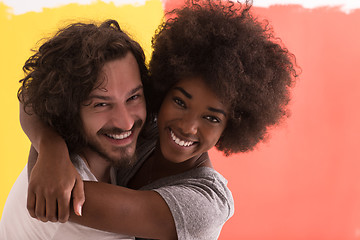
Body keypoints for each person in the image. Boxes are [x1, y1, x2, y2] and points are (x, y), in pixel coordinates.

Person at [5, 0, 299, 239]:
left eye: (211, 117)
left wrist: (49, 152)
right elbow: (36, 94)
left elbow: (61, 199)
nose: (187, 126)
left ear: (233, 125)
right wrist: (50, 145)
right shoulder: (146, 124)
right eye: (180, 102)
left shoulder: (204, 206)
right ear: (161, 91)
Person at [0, 19, 150, 239]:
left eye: (133, 97)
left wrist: (49, 145)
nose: (126, 122)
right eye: (101, 104)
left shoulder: (66, 142)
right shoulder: (77, 210)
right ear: (69, 108)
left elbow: (31, 94)